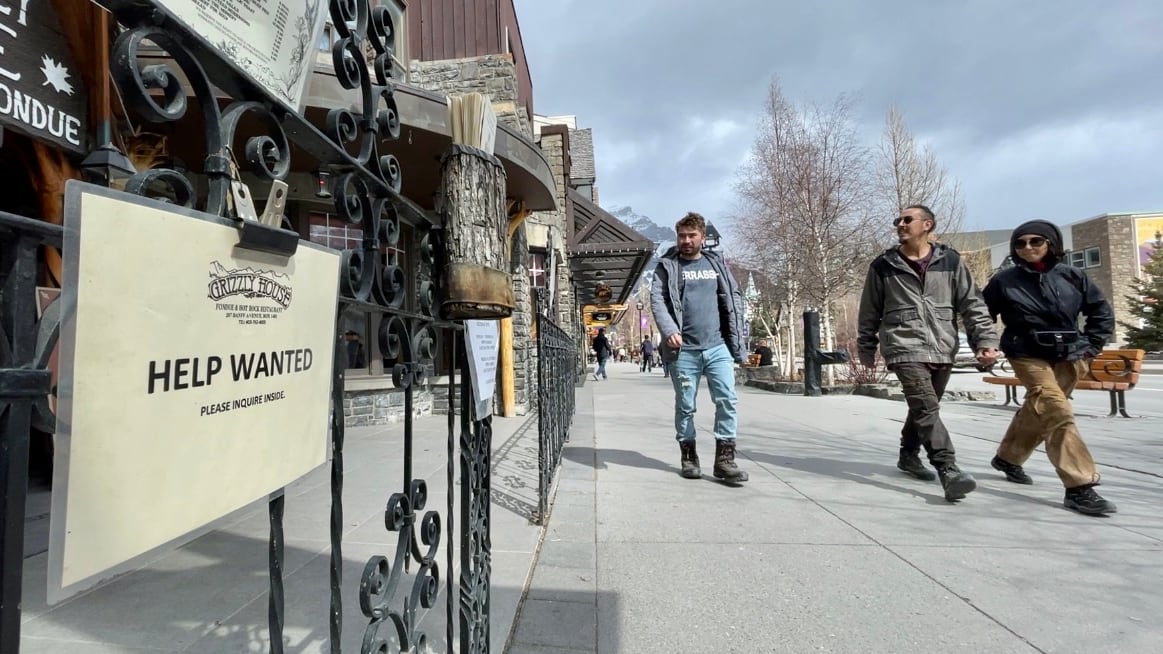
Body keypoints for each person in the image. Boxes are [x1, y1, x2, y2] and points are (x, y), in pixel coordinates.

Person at [857, 204, 999, 501]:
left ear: (927, 225)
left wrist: (985, 340)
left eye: (907, 219)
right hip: (903, 344)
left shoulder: (950, 261)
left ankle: (908, 455)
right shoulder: (883, 265)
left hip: (942, 345)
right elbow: (869, 310)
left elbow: (972, 304)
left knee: (924, 407)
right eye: (898, 220)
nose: (900, 224)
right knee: (925, 406)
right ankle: (948, 468)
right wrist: (866, 346)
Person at [982, 220, 1117, 516]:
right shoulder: (1003, 281)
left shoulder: (1073, 276)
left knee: (1040, 408)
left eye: (1035, 241)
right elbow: (980, 316)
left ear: (1051, 244)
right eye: (1020, 243)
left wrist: (1091, 346)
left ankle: (1008, 457)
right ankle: (1079, 486)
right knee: (1057, 410)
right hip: (1026, 353)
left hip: (1070, 355)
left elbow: (1100, 311)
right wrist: (985, 343)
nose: (1027, 247)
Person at [651, 211, 748, 483]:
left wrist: (736, 337)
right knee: (685, 405)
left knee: (727, 399)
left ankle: (725, 460)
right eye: (681, 236)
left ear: (702, 238)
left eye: (691, 236)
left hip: (718, 346)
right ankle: (689, 457)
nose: (686, 240)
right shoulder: (667, 266)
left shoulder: (716, 265)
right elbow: (657, 301)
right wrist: (669, 330)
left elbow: (733, 298)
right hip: (685, 352)